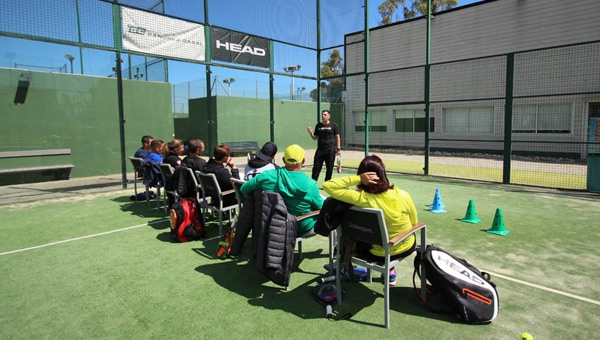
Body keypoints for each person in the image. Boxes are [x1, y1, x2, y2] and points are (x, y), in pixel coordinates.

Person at [322, 155, 418, 286]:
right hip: (405, 248)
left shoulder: (361, 198)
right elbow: (414, 223)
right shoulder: (404, 195)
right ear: (383, 173)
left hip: (374, 253)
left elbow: (328, 186)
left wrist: (358, 179)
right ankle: (390, 271)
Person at [240, 144, 324, 237]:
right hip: (302, 228)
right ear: (303, 161)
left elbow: (244, 189)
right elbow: (321, 207)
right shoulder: (311, 184)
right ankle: (338, 248)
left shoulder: (266, 176)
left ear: (284, 160)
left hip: (273, 226)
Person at [307, 109, 341, 182]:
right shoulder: (318, 125)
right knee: (316, 168)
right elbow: (315, 138)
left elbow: (337, 136)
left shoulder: (333, 125)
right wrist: (310, 133)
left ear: (329, 116)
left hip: (330, 150)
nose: (323, 116)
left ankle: (327, 183)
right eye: (322, 114)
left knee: (329, 168)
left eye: (325, 115)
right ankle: (313, 183)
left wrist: (338, 149)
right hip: (320, 150)